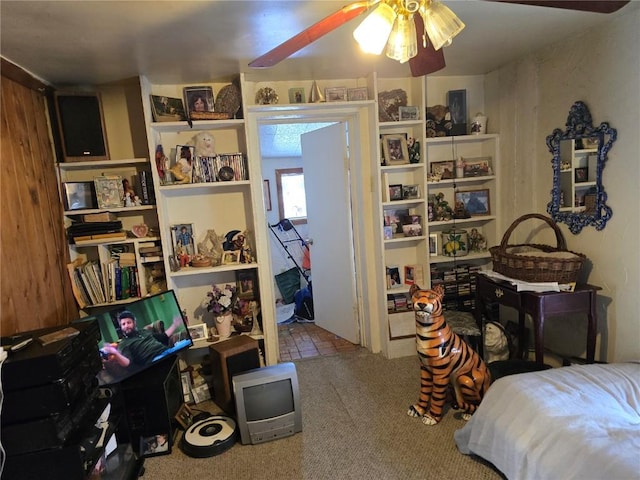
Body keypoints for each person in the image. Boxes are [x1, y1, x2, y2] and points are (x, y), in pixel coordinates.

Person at [101, 310, 183, 368]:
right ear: (121, 327)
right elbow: (128, 363)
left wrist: (175, 325)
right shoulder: (124, 343)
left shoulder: (144, 332)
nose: (126, 326)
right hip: (155, 360)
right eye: (123, 324)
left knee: (187, 342)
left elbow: (163, 337)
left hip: (167, 351)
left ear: (134, 323)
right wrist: (115, 353)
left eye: (128, 322)